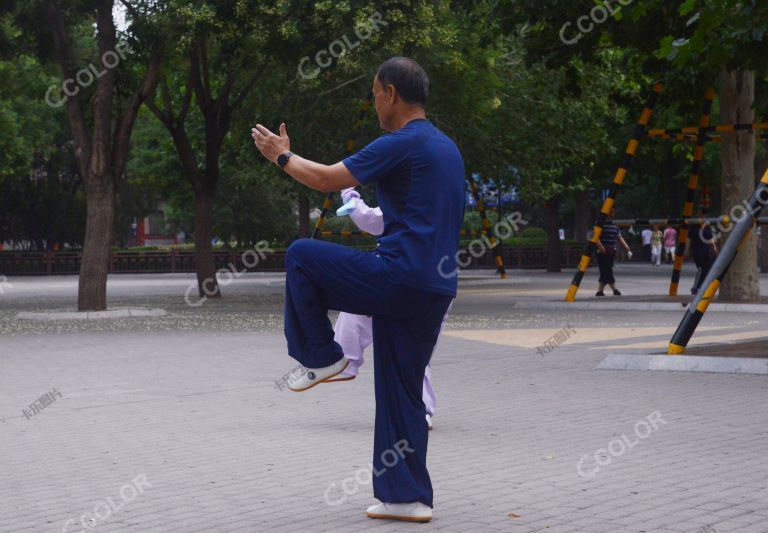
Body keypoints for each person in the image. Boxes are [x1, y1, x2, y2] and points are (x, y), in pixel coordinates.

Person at [251, 57, 464, 523]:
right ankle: (405, 498)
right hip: (436, 287)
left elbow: (327, 178)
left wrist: (281, 157)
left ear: (390, 93)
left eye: (373, 95)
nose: (373, 104)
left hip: (399, 277)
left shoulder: (402, 143)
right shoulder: (447, 149)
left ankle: (320, 355)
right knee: (400, 390)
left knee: (302, 255)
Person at [329, 187, 439, 431]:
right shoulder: (429, 203)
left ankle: (343, 359)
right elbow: (373, 220)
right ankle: (421, 410)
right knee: (414, 350)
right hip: (431, 284)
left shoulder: (408, 206)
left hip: (408, 280)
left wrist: (350, 196)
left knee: (359, 307)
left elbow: (371, 220)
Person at [596, 208, 632, 296]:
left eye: (613, 211)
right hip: (602, 251)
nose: (613, 213)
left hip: (612, 251)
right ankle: (614, 289)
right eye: (611, 211)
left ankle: (600, 291)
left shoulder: (614, 225)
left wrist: (626, 247)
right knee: (607, 269)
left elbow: (619, 237)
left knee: (605, 270)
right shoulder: (600, 223)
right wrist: (600, 246)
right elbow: (595, 236)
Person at [687, 208, 718, 295]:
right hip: (696, 251)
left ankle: (699, 287)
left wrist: (714, 248)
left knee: (707, 269)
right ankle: (695, 287)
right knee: (701, 269)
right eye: (700, 214)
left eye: (703, 215)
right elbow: (689, 238)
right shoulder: (694, 225)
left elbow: (711, 237)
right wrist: (686, 250)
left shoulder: (707, 225)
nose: (701, 216)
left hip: (707, 251)